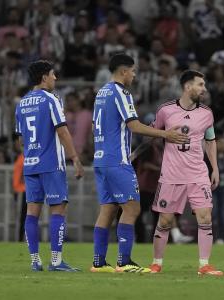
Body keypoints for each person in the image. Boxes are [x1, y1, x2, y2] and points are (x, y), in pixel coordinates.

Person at [90, 53, 189, 273]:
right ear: (123, 71)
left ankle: (98, 262)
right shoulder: (121, 93)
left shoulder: (101, 93)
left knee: (107, 210)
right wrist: (164, 134)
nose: (134, 75)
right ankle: (124, 262)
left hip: (100, 159)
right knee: (132, 209)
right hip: (117, 160)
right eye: (133, 71)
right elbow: (134, 125)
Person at [149, 69, 223, 276]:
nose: (204, 89)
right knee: (164, 221)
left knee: (205, 217)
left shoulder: (206, 113)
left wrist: (214, 167)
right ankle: (156, 263)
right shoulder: (165, 111)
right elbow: (153, 133)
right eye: (200, 84)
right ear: (187, 86)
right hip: (171, 175)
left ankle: (204, 265)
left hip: (198, 174)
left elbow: (210, 140)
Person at [14, 60, 84, 271]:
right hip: (52, 164)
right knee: (58, 210)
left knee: (32, 213)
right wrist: (75, 158)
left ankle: (35, 261)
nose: (56, 78)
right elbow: (62, 131)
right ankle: (56, 261)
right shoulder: (51, 99)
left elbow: (21, 139)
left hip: (31, 164)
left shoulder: (22, 102)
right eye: (53, 74)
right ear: (44, 77)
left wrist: (30, 156)